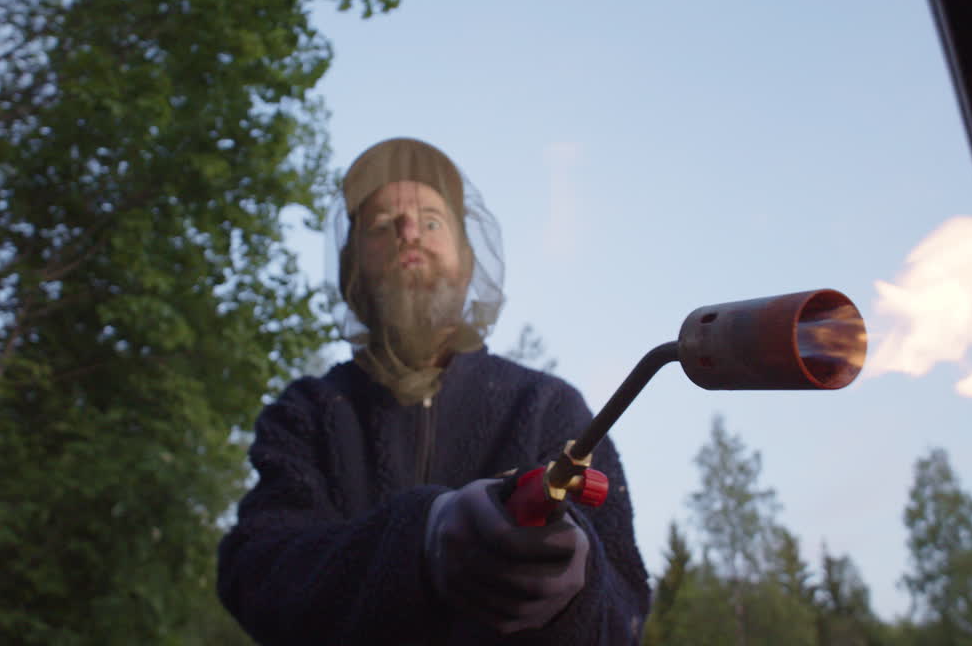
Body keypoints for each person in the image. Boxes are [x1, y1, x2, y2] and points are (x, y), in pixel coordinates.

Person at [217, 137, 650, 644]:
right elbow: (259, 569)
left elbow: (622, 608)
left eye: (431, 221)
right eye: (381, 225)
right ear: (354, 270)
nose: (407, 232)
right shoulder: (306, 412)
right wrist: (419, 538)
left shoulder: (547, 407)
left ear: (467, 262)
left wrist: (573, 589)